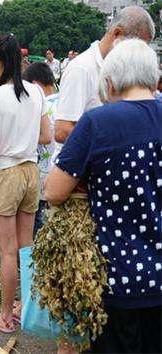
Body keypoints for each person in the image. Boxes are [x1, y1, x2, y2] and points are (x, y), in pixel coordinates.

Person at [45, 39, 161, 354]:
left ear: (109, 83)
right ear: (155, 79)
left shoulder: (98, 122)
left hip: (119, 280)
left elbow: (54, 191)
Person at [0, 35, 51, 333]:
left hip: (6, 174)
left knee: (7, 251)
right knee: (26, 247)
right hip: (30, 173)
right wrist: (22, 142)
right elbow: (47, 136)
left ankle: (6, 316)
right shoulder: (36, 92)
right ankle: (27, 307)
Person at [54, 6, 155, 153]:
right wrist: (117, 142)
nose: (138, 55)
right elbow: (62, 131)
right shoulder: (82, 68)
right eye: (136, 48)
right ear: (117, 33)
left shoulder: (123, 71)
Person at [22, 62, 58, 233]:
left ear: (34, 85)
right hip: (67, 179)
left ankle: (30, 260)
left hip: (43, 180)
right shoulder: (67, 102)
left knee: (37, 232)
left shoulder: (39, 107)